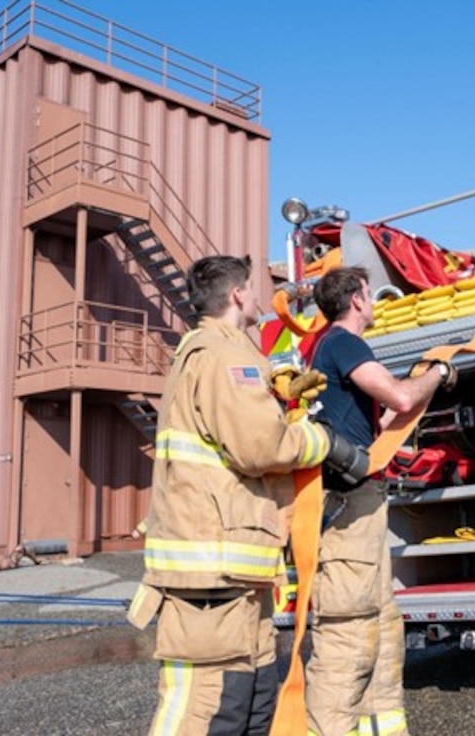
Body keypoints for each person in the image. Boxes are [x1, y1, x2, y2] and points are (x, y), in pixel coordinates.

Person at [126, 255, 356, 735]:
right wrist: (326, 442)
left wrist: (278, 396)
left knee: (246, 701)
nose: (258, 297)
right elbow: (260, 446)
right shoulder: (221, 356)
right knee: (204, 707)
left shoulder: (228, 353)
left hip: (231, 570)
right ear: (236, 296)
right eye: (253, 289)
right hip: (210, 569)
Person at [304, 266, 455, 736]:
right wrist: (437, 374)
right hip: (347, 506)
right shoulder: (343, 342)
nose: (374, 303)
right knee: (348, 629)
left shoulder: (324, 348)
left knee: (379, 621)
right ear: (356, 301)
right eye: (370, 295)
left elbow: (380, 409)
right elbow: (400, 398)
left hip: (353, 503)